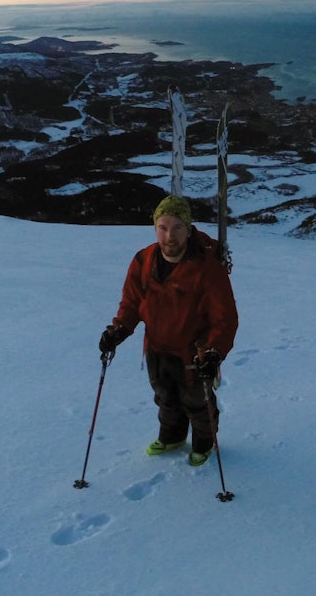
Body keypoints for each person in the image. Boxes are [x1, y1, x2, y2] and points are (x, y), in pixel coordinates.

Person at [100, 194, 239, 466]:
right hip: (156, 347)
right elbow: (132, 302)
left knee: (197, 402)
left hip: (194, 352)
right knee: (165, 397)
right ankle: (172, 436)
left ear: (188, 228)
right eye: (162, 227)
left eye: (177, 227)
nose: (169, 236)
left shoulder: (206, 267)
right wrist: (118, 330)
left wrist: (213, 351)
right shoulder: (144, 260)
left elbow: (225, 318)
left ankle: (204, 442)